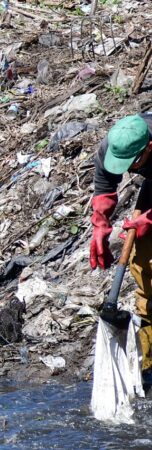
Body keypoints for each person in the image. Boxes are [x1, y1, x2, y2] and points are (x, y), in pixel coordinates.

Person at [88, 113, 152, 369]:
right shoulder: (114, 143)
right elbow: (104, 185)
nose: (127, 169)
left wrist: (149, 218)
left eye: (131, 163)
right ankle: (148, 365)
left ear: (149, 147)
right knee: (145, 267)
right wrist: (100, 223)